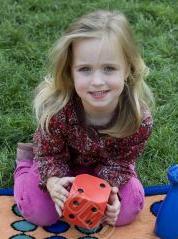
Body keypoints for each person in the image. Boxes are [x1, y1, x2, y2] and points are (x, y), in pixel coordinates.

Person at [14, 10, 154, 227]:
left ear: (127, 69)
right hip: (61, 165)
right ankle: (24, 164)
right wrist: (53, 182)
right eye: (85, 69)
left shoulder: (137, 118)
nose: (97, 81)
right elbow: (50, 155)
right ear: (71, 72)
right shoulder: (58, 110)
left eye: (109, 68)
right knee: (40, 214)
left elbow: (121, 161)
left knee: (125, 212)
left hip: (107, 170)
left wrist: (107, 194)